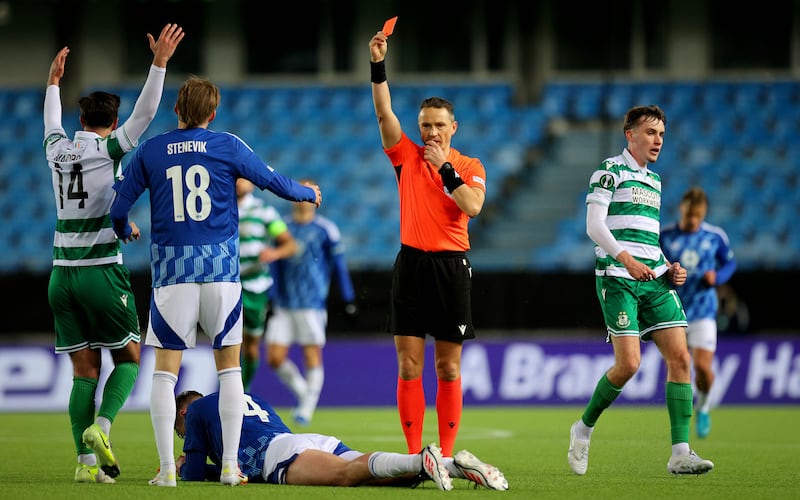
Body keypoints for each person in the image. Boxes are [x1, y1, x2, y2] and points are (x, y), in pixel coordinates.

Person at [109, 76, 323, 487]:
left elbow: (119, 207)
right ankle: (229, 466)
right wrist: (306, 194)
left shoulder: (152, 150)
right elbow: (272, 181)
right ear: (212, 113)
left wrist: (124, 230)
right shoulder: (228, 144)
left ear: (176, 109)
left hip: (172, 277)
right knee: (229, 372)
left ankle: (168, 471)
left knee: (164, 374)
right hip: (222, 275)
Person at [43, 24, 184, 484]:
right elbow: (145, 114)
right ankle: (101, 429)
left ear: (81, 121)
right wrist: (158, 63)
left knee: (84, 370)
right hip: (101, 272)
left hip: (60, 276)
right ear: (109, 121)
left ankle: (86, 469)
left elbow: (49, 122)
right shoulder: (110, 149)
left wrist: (53, 84)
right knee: (129, 359)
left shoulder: (57, 151)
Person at [568, 105, 714, 476]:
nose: (658, 140)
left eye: (662, 134)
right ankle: (583, 428)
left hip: (652, 280)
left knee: (680, 358)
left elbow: (648, 241)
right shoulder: (608, 171)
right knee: (629, 364)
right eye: (650, 133)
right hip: (618, 277)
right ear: (629, 134)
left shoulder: (655, 181)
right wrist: (627, 259)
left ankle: (680, 453)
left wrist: (670, 267)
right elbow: (594, 226)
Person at [368, 31, 487, 459]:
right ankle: (417, 456)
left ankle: (448, 454)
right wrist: (378, 65)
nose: (432, 132)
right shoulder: (405, 156)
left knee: (448, 366)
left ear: (453, 127)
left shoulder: (469, 165)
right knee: (408, 365)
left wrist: (445, 170)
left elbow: (472, 206)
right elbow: (384, 114)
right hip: (412, 266)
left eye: (439, 125)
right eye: (425, 126)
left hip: (451, 267)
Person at [173, 390, 509, 490]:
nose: (184, 439)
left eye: (180, 433)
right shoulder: (249, 397)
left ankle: (421, 458)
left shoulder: (198, 410)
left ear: (183, 415)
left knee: (343, 477)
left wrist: (186, 465)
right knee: (377, 478)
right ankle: (455, 466)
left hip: (278, 454)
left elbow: (192, 474)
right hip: (303, 440)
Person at [265, 189, 357, 426]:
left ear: (316, 202)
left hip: (311, 303)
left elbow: (338, 264)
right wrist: (271, 294)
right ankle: (304, 392)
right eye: (300, 195)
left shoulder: (326, 229)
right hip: (284, 303)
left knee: (311, 353)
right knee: (274, 357)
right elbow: (274, 265)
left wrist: (348, 297)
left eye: (309, 196)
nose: (303, 201)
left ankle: (306, 408)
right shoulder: (282, 227)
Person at [659, 186, 736, 439]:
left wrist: (717, 277)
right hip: (674, 310)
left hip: (703, 310)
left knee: (703, 367)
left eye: (698, 217)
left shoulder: (715, 237)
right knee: (681, 365)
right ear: (682, 209)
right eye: (690, 215)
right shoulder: (666, 236)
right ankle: (681, 424)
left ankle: (703, 408)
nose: (693, 221)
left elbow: (730, 263)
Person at [236, 177, 298, 392]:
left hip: (255, 287)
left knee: (251, 346)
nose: (238, 183)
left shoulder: (264, 212)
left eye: (242, 179)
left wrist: (275, 252)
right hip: (226, 284)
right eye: (234, 178)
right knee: (226, 342)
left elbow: (290, 244)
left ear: (252, 184)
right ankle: (229, 394)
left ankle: (244, 390)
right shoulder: (217, 209)